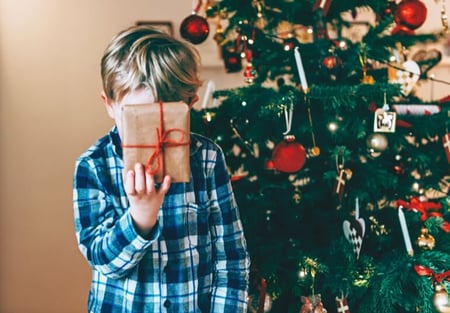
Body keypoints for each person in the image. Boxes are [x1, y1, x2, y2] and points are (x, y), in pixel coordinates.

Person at [73, 25, 250, 313]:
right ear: (110, 105)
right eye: (137, 117)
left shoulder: (207, 159)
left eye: (166, 117)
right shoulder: (93, 167)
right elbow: (102, 260)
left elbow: (231, 258)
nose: (153, 131)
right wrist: (140, 218)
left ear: (190, 105)